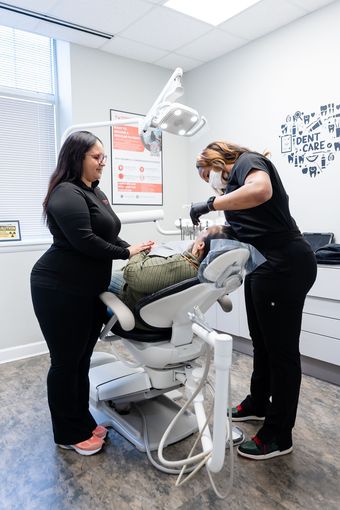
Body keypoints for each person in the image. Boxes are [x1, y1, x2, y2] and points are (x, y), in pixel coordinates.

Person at [190, 141, 317, 460]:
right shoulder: (236, 189)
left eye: (208, 175)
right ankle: (258, 402)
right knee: (262, 342)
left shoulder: (248, 163)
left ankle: (278, 434)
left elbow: (261, 191)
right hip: (264, 264)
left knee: (282, 353)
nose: (211, 183)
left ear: (217, 162)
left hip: (286, 264)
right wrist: (207, 234)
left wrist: (210, 202)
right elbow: (238, 228)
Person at [30, 131, 154, 456]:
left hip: (86, 290)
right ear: (77, 157)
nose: (102, 163)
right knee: (66, 363)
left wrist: (136, 250)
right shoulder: (64, 193)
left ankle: (82, 421)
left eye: (104, 157)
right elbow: (84, 240)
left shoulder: (94, 192)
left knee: (81, 361)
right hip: (58, 288)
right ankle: (67, 433)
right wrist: (126, 255)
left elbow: (109, 233)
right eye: (96, 157)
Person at [108, 225, 234, 328]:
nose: (202, 231)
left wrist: (140, 251)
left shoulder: (180, 266)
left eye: (205, 230)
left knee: (99, 281)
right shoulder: (211, 276)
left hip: (143, 318)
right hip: (173, 321)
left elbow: (131, 274)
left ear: (201, 246)